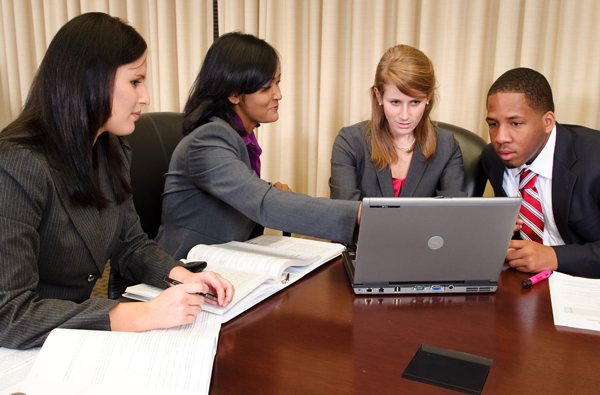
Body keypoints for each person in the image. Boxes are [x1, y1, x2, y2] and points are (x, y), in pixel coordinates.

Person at [0, 13, 233, 350]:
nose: (146, 97)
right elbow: (9, 315)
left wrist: (184, 276)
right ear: (89, 82)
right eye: (135, 82)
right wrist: (142, 315)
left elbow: (130, 244)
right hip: (22, 349)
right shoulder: (16, 164)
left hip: (76, 336)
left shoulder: (110, 148)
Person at [155, 32, 361, 260]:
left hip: (227, 261)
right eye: (266, 88)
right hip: (186, 270)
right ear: (234, 94)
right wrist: (358, 213)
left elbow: (242, 192)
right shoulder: (208, 140)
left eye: (277, 83)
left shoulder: (240, 137)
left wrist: (268, 188)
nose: (279, 95)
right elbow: (263, 203)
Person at [482, 67, 600, 278]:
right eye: (493, 124)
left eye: (515, 123)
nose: (500, 138)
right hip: (522, 280)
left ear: (547, 122)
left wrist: (554, 257)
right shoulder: (492, 158)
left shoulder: (594, 158)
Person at [329, 44, 466, 201]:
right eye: (395, 102)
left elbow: (453, 216)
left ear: (428, 97)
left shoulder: (447, 145)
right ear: (379, 96)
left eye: (415, 102)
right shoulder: (349, 142)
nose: (405, 115)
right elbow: (345, 213)